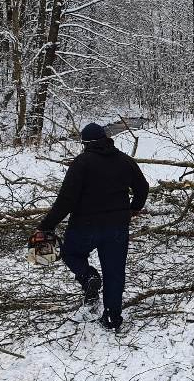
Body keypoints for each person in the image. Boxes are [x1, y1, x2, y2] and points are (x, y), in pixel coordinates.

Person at [35, 122, 149, 331]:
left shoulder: (81, 163)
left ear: (85, 143)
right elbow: (143, 187)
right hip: (117, 227)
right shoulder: (125, 160)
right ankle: (112, 317)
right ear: (106, 139)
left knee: (70, 253)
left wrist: (47, 225)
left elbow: (66, 200)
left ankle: (88, 277)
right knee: (114, 272)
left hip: (84, 226)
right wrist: (134, 208)